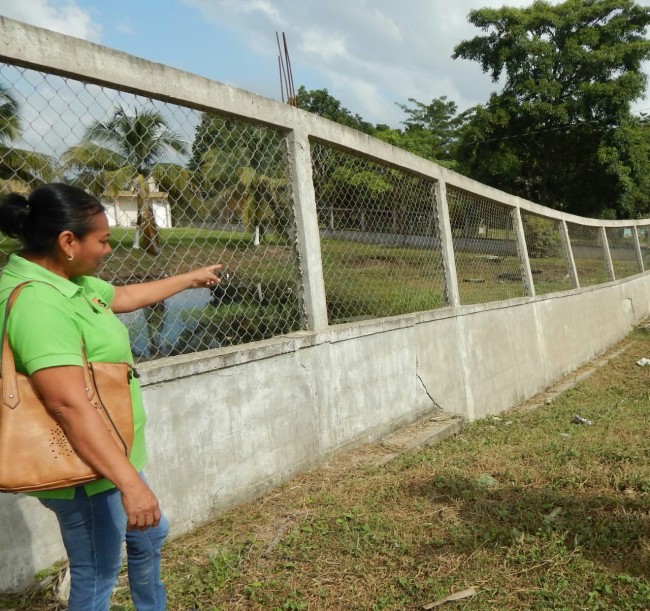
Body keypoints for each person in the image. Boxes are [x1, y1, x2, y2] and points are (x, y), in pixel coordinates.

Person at [0, 183, 222, 611]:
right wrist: (130, 484)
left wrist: (190, 278)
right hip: (86, 469)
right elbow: (68, 405)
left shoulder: (70, 282)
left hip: (107, 457)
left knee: (149, 533)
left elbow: (122, 296)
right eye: (101, 240)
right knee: (97, 573)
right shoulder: (40, 305)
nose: (107, 249)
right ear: (68, 241)